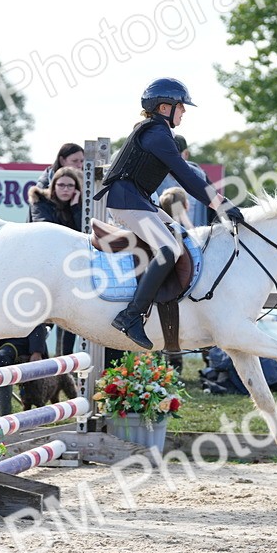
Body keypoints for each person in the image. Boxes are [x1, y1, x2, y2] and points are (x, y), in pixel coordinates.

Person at [98, 77, 242, 349]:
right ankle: (131, 315)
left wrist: (222, 203)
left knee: (181, 237)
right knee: (168, 250)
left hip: (139, 201)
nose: (184, 111)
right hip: (128, 202)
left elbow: (188, 177)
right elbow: (186, 175)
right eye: (181, 106)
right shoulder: (157, 135)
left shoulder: (159, 133)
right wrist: (221, 205)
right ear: (165, 107)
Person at [28, 166, 84, 355]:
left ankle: (65, 362)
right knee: (40, 318)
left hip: (68, 271)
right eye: (61, 185)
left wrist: (76, 207)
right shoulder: (40, 201)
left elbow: (84, 234)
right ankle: (38, 359)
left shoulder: (79, 205)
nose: (65, 189)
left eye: (70, 185)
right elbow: (46, 230)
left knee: (69, 319)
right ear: (54, 186)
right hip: (43, 268)